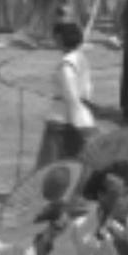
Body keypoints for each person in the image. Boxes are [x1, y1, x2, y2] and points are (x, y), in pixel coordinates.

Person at [35, 22, 96, 166]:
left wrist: (76, 122)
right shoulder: (81, 58)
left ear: (60, 39)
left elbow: (70, 95)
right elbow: (87, 89)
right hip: (82, 113)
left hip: (63, 117)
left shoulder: (66, 64)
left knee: (51, 163)